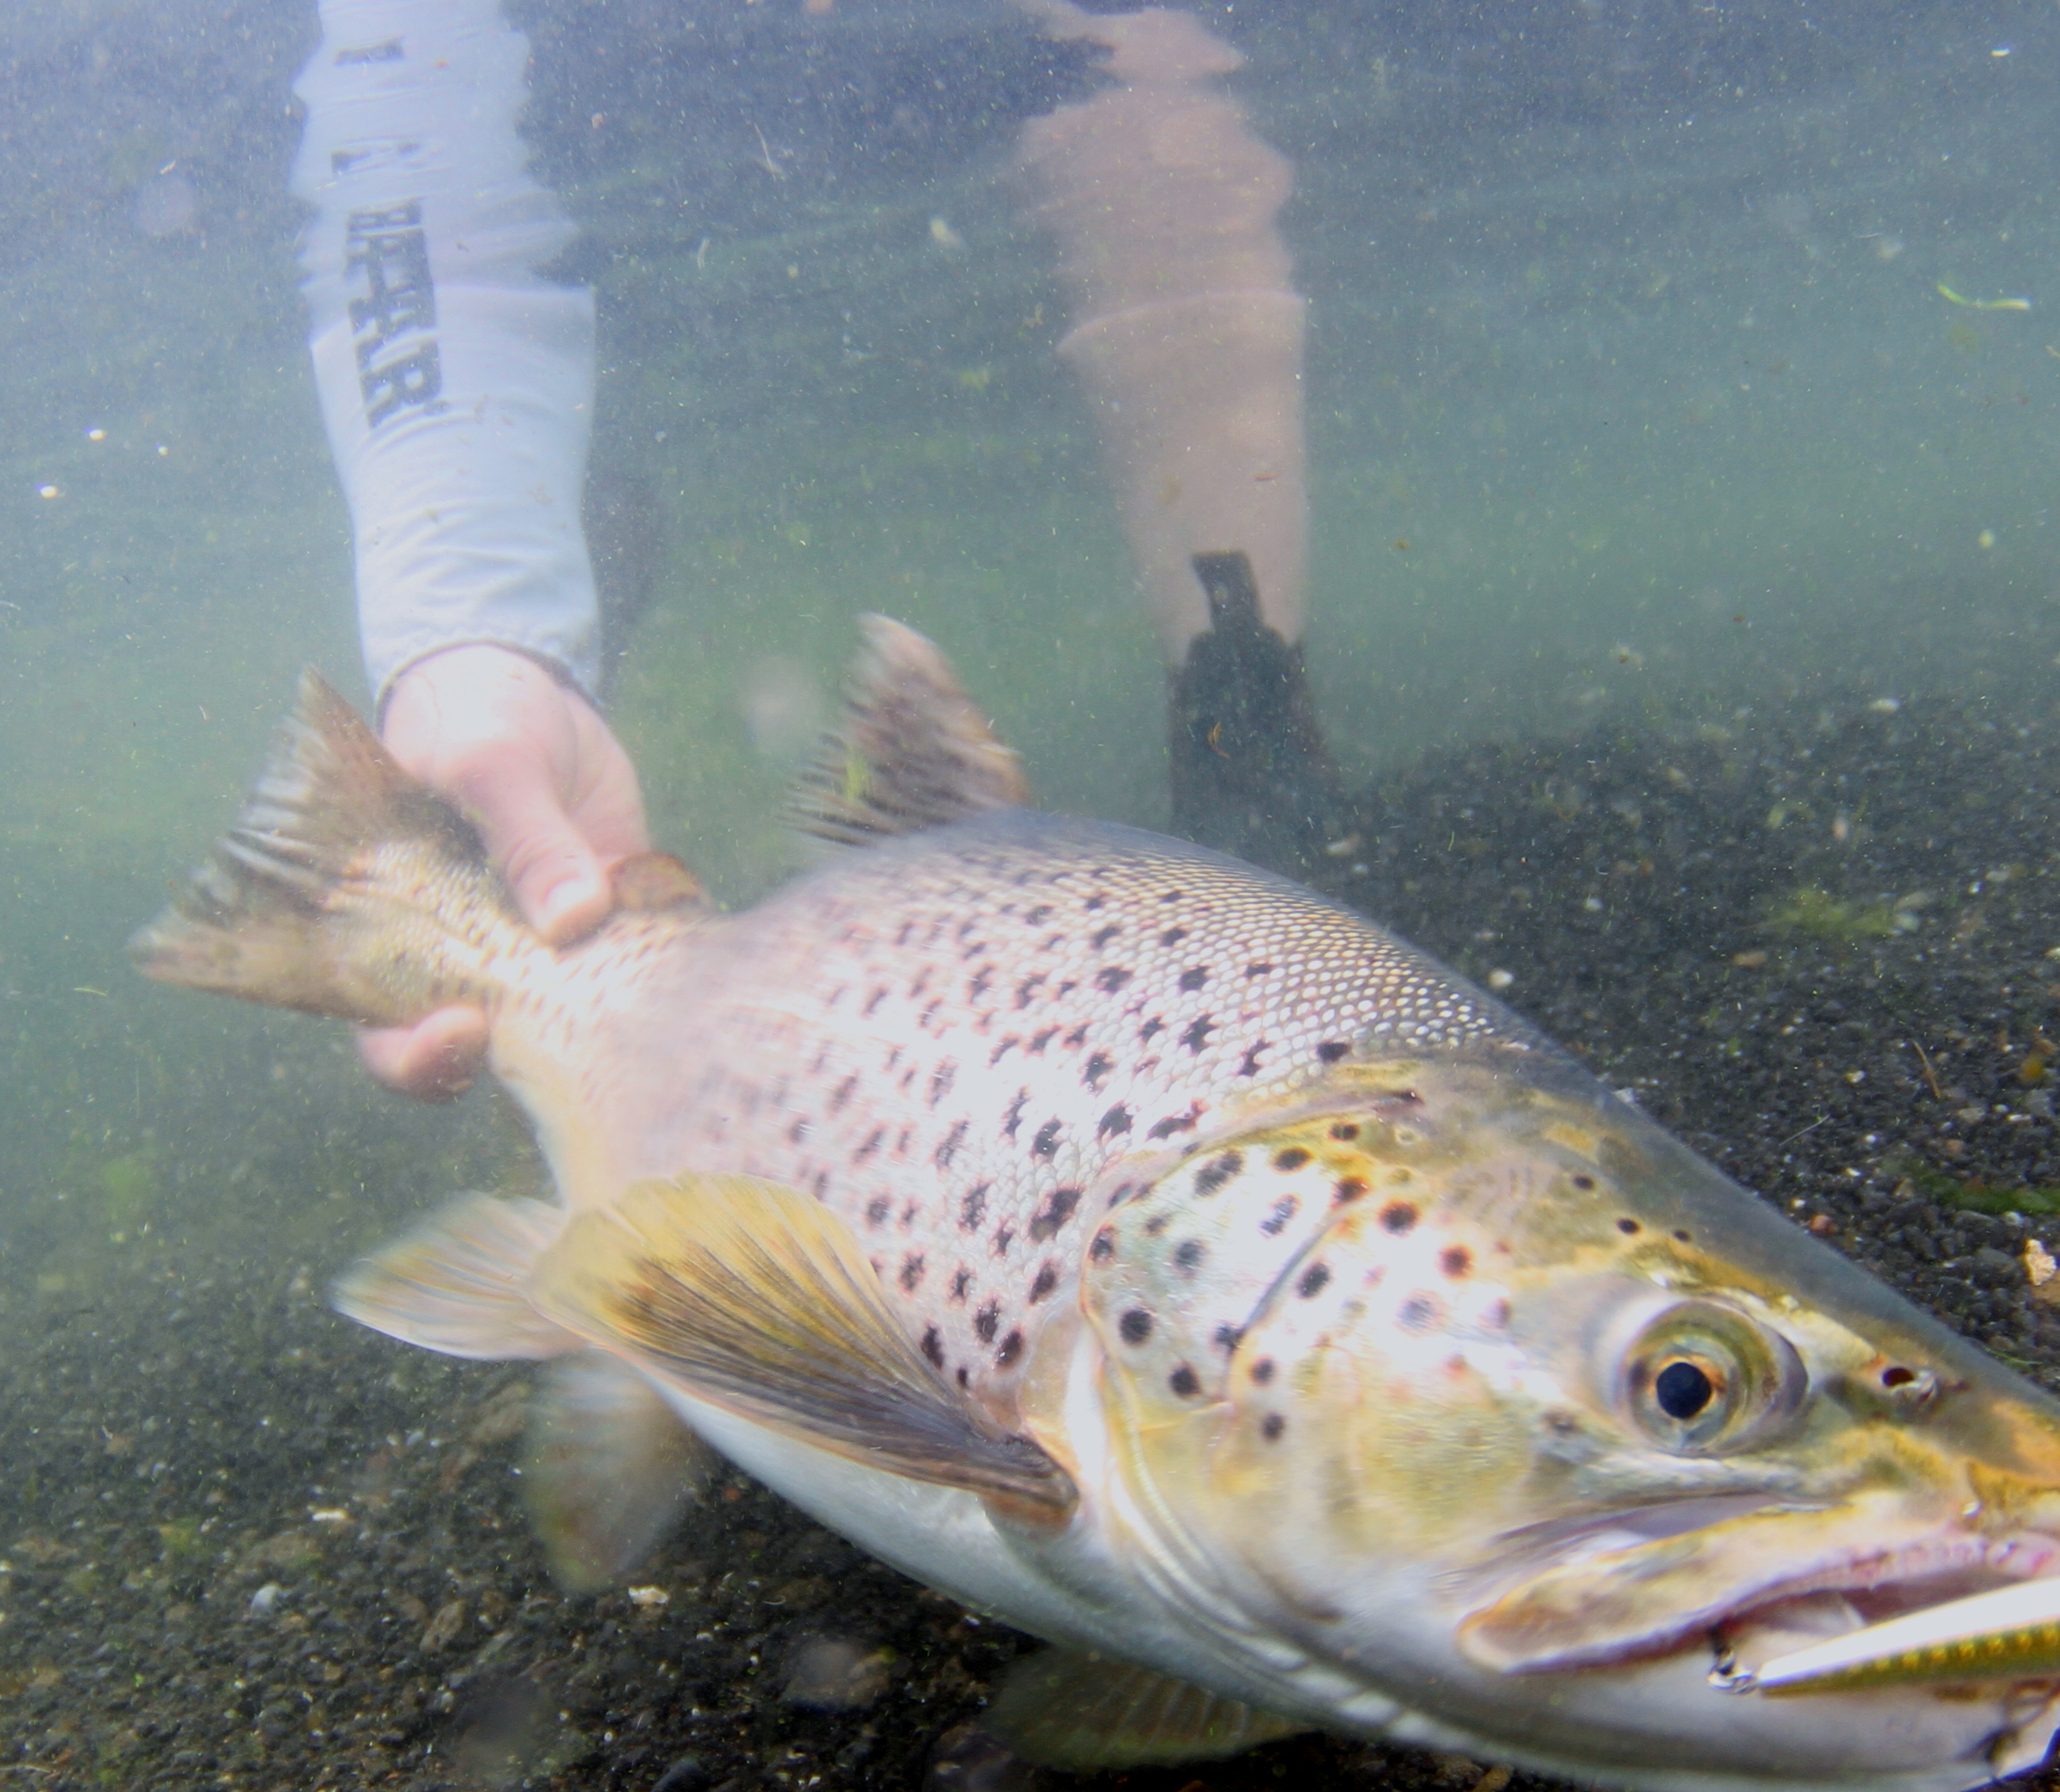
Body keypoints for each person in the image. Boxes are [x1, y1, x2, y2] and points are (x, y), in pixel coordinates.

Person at [289, 0, 1328, 1100]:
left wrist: (1248, 742)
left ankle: (1246, 722)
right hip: (600, 164)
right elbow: (418, 180)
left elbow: (1171, 169)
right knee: (602, 527)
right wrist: (474, 638)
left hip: (915, 144)